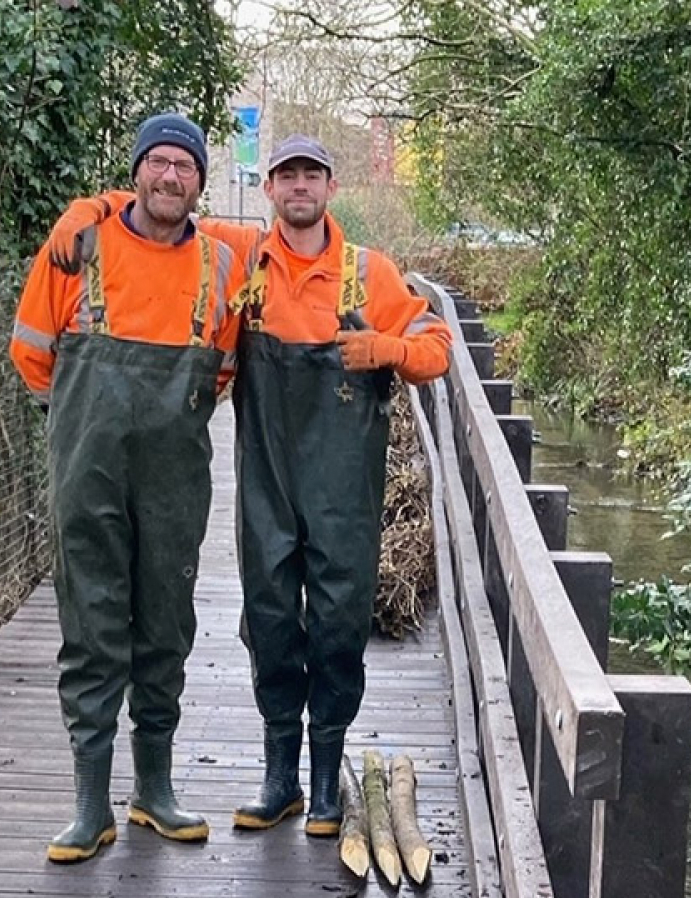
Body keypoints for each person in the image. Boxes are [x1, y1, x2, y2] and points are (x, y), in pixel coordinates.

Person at [46, 133, 452, 837]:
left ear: (331, 188)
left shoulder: (370, 273)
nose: (299, 187)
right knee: (268, 618)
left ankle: (327, 783)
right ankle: (279, 781)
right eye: (286, 176)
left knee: (337, 621)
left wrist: (386, 349)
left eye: (312, 176)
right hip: (265, 485)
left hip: (342, 492)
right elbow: (163, 207)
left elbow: (438, 348)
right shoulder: (241, 260)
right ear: (268, 190)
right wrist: (89, 207)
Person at [9, 113, 247, 864]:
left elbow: (226, 372)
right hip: (89, 470)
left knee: (166, 623)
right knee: (91, 623)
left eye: (185, 167)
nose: (170, 177)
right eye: (159, 163)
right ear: (136, 172)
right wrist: (85, 419)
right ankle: (89, 806)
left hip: (174, 481)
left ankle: (154, 789)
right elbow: (31, 354)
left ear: (199, 183)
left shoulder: (221, 266)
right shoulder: (80, 245)